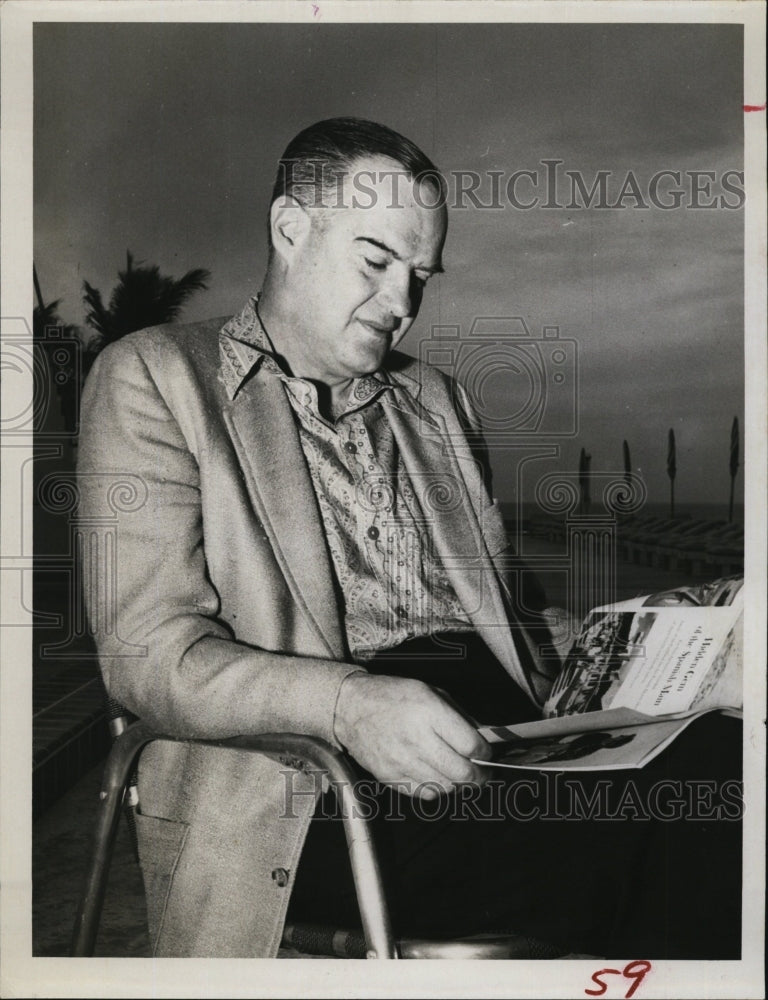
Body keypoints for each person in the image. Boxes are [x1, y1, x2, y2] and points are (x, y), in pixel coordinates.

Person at [78, 117, 741, 959]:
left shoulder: (436, 401)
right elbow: (147, 653)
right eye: (376, 261)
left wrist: (678, 640)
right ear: (290, 229)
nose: (401, 305)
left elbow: (514, 628)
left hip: (502, 749)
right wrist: (349, 704)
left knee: (727, 751)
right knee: (699, 807)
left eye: (421, 275)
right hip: (310, 787)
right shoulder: (156, 377)